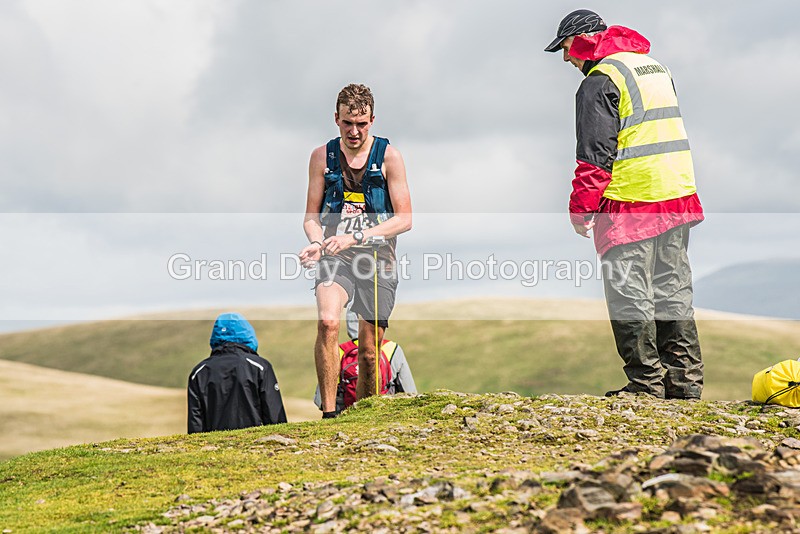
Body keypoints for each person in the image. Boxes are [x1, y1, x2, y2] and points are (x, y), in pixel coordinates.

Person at [545, 10, 704, 399]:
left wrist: (581, 209)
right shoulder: (653, 68)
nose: (566, 59)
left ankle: (646, 384)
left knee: (628, 293)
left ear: (582, 40)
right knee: (673, 291)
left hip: (632, 199)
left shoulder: (600, 81)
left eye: (565, 48)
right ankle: (685, 386)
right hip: (677, 194)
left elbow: (594, 157)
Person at [298, 84, 412, 418]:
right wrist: (317, 243)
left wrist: (358, 237)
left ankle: (361, 416)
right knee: (328, 322)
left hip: (379, 260)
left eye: (361, 124)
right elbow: (310, 217)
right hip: (336, 257)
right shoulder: (322, 157)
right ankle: (330, 416)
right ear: (336, 119)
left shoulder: (390, 157)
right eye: (347, 122)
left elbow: (405, 219)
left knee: (367, 351)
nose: (354, 131)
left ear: (372, 120)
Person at [188, 312, 287, 433]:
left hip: (213, 447)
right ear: (247, 334)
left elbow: (195, 424)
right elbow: (274, 415)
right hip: (255, 445)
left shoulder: (198, 372)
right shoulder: (259, 367)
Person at [313, 309, 418, 413]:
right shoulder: (391, 348)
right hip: (384, 414)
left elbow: (320, 400)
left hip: (345, 416)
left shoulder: (337, 352)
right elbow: (410, 392)